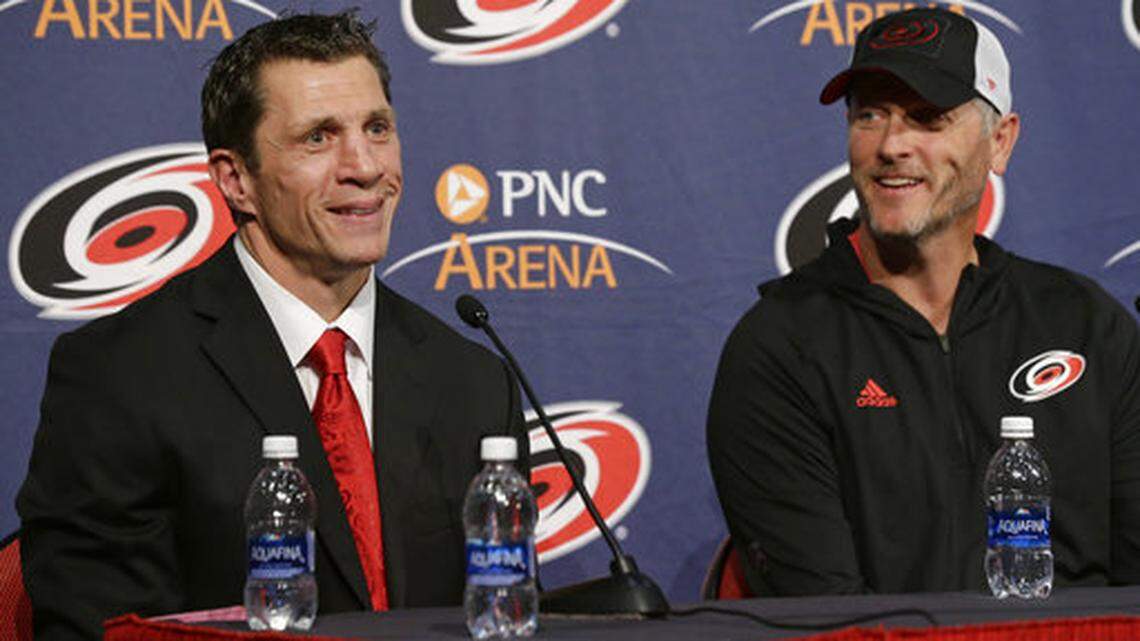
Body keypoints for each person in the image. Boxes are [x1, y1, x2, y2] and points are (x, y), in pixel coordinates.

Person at [17, 11, 527, 640]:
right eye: (319, 138)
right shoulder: (120, 376)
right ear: (237, 180)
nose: (364, 166)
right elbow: (106, 627)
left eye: (377, 128)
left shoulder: (476, 384)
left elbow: (505, 615)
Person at [707, 7, 1140, 596]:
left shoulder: (1087, 326)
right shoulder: (781, 348)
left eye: (928, 118)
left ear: (1000, 142)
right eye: (870, 115)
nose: (892, 144)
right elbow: (821, 617)